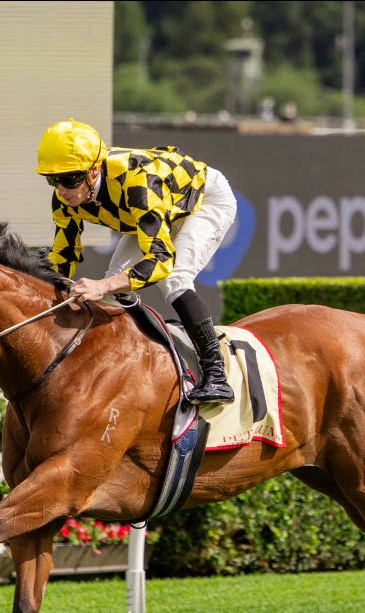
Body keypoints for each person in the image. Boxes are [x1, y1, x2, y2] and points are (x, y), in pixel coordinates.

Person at [35, 118, 236, 405]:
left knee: (175, 278)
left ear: (93, 171)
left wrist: (103, 286)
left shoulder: (139, 182)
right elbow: (63, 258)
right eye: (53, 180)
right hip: (152, 210)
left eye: (70, 179)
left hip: (204, 199)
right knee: (115, 285)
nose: (62, 190)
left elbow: (161, 259)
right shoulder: (64, 199)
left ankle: (216, 374)